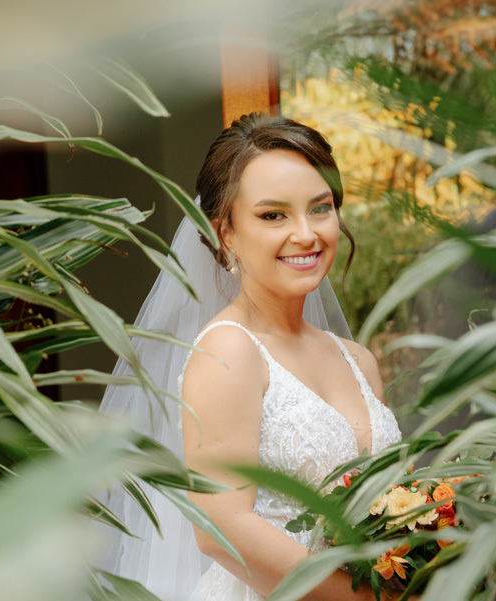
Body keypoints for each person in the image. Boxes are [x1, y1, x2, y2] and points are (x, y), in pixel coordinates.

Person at [98, 113, 402, 601]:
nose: (305, 234)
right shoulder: (228, 350)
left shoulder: (357, 360)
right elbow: (221, 526)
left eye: (319, 208)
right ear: (226, 234)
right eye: (272, 215)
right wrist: (368, 596)